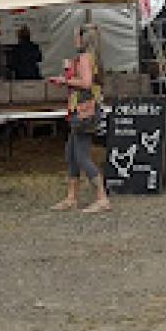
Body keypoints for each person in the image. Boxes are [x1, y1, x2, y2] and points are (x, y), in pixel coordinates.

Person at [52, 23, 110, 215]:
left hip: (85, 111)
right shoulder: (91, 58)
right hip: (84, 109)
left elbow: (85, 83)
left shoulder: (85, 58)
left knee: (81, 156)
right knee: (71, 153)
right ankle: (71, 197)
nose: (74, 39)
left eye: (76, 36)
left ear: (83, 39)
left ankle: (102, 198)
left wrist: (65, 80)